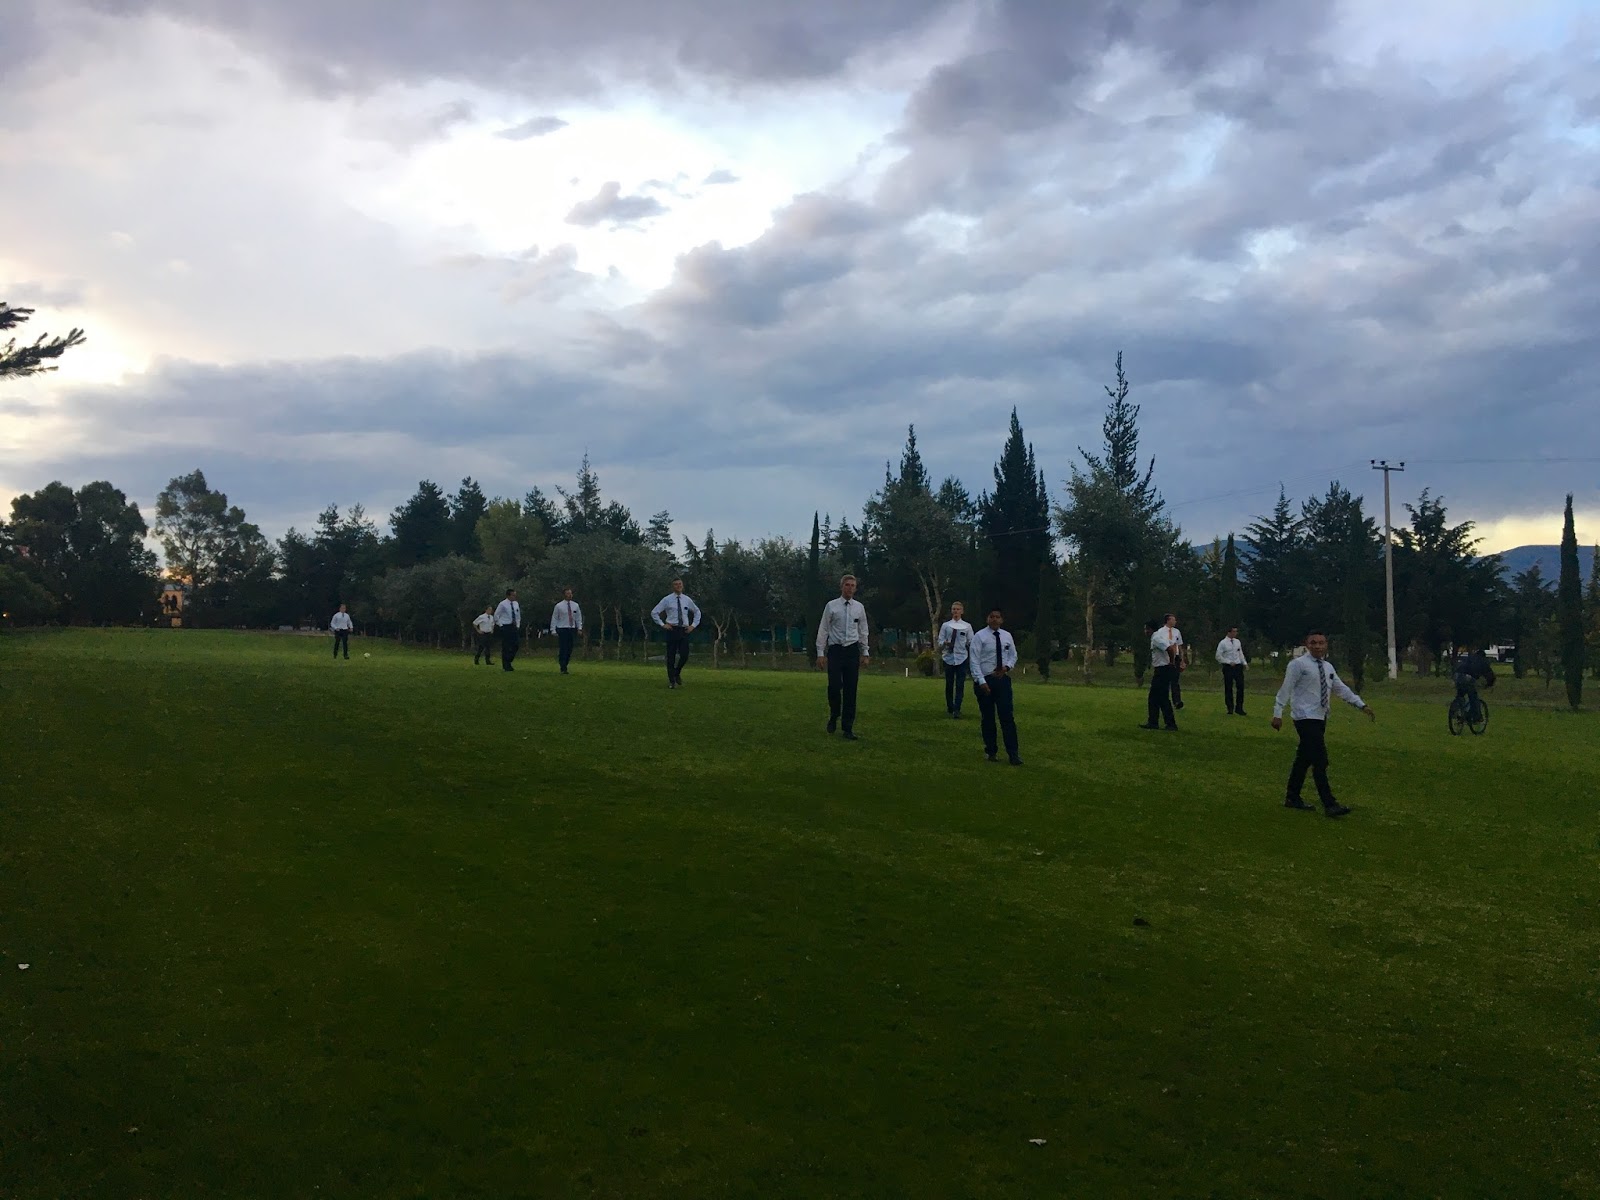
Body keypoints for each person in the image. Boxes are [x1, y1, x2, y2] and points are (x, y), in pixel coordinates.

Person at [1272, 630, 1374, 818]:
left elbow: (1340, 689)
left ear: (1326, 645)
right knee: (1320, 760)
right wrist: (1277, 713)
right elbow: (1286, 689)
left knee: (1304, 759)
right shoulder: (1298, 665)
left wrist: (1361, 705)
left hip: (1320, 716)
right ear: (1307, 644)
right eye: (1313, 643)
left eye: (1321, 643)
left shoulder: (1327, 667)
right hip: (1304, 717)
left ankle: (1292, 797)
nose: (1317, 646)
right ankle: (1329, 804)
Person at [816, 574, 870, 739]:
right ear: (841, 587)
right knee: (834, 686)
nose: (850, 588)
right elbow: (824, 629)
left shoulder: (859, 608)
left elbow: (863, 630)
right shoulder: (831, 606)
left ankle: (848, 728)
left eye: (853, 585)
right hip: (836, 650)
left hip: (852, 650)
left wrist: (865, 652)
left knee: (850, 689)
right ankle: (834, 714)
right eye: (847, 585)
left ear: (855, 588)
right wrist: (820, 653)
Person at [968, 607, 1022, 765]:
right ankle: (991, 751)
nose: (994, 619)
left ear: (1002, 620)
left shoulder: (1006, 636)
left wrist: (1007, 667)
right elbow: (974, 660)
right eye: (991, 617)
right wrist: (981, 681)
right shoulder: (980, 636)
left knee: (1007, 717)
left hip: (1002, 680)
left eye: (997, 617)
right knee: (988, 718)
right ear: (987, 619)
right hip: (985, 679)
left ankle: (1013, 754)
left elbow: (1013, 655)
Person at [651, 579, 701, 689]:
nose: (678, 586)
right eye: (676, 584)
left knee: (684, 655)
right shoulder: (667, 599)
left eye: (680, 584)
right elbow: (654, 612)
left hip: (684, 630)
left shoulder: (687, 599)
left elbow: (697, 612)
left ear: (682, 586)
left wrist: (693, 625)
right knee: (671, 656)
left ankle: (676, 672)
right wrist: (662, 624)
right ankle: (672, 681)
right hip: (672, 629)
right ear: (672, 586)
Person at [938, 601, 975, 718]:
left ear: (962, 611)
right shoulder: (946, 626)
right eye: (954, 609)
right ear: (951, 611)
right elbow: (939, 641)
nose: (956, 611)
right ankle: (950, 706)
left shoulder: (967, 626)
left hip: (961, 658)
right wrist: (945, 643)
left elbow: (971, 641)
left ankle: (957, 709)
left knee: (960, 684)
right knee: (949, 684)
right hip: (948, 657)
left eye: (958, 609)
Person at [1140, 616, 1178, 730]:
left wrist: (1171, 662)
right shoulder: (1159, 636)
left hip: (1162, 670)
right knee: (1157, 697)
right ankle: (1155, 722)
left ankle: (1166, 723)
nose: (1145, 631)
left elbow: (1170, 649)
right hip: (1162, 669)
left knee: (1159, 697)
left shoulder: (1156, 638)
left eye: (1146, 629)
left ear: (1151, 629)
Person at [1452, 641, 1495, 722]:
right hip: (1468, 677)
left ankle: (1457, 709)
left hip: (1457, 675)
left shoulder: (1470, 657)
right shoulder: (1484, 662)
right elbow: (1490, 675)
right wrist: (1489, 684)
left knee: (1461, 693)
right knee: (1473, 696)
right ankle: (1476, 717)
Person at [1216, 625, 1247, 715]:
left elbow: (1240, 653)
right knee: (1229, 687)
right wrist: (1228, 662)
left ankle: (1239, 708)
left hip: (1238, 666)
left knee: (1240, 686)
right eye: (1234, 631)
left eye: (1236, 632)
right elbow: (1218, 656)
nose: (1235, 633)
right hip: (1228, 667)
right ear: (1229, 632)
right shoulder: (1223, 643)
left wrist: (1244, 663)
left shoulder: (1237, 642)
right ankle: (1230, 707)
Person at [550, 588, 583, 675]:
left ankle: (566, 663)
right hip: (562, 628)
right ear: (564, 595)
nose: (570, 595)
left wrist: (579, 628)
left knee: (569, 648)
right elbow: (555, 618)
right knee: (563, 648)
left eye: (571, 593)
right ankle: (563, 666)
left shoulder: (575, 605)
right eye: (568, 593)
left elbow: (578, 618)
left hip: (571, 628)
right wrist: (553, 630)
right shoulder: (559, 606)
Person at [493, 588, 522, 672]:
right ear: (508, 595)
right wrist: (500, 625)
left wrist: (518, 624)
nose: (514, 597)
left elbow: (518, 615)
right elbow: (496, 615)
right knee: (506, 646)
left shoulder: (516, 604)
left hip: (514, 626)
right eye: (513, 595)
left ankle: (509, 659)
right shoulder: (502, 604)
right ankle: (506, 665)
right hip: (506, 626)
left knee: (516, 645)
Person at [1166, 613, 1187, 709]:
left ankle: (1177, 701)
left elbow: (1179, 646)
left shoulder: (1177, 632)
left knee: (1175, 680)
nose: (1175, 621)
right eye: (1173, 620)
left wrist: (1182, 660)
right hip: (1166, 657)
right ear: (1168, 620)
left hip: (1176, 657)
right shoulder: (1161, 632)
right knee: (1166, 680)